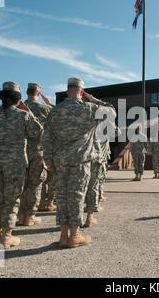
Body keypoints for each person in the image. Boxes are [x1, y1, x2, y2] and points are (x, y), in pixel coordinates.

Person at [42, 77, 108, 248]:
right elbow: (111, 110)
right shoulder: (90, 108)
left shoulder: (55, 111)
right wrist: (93, 99)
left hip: (60, 161)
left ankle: (63, 236)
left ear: (67, 91)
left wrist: (48, 160)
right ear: (81, 91)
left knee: (62, 198)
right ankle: (74, 235)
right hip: (81, 161)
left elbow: (47, 138)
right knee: (77, 196)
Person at [0, 82, 43, 249]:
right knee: (11, 200)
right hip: (15, 164)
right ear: (18, 99)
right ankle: (6, 237)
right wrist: (30, 113)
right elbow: (38, 132)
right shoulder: (23, 116)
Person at [17, 83, 52, 226]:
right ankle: (30, 216)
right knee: (35, 183)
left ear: (26, 92)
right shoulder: (44, 108)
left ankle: (20, 215)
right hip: (37, 150)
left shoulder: (17, 107)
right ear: (38, 93)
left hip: (19, 150)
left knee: (21, 184)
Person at [84, 93, 116, 227]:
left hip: (80, 155)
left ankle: (70, 224)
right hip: (96, 155)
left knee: (77, 186)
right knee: (93, 184)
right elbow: (111, 109)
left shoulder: (79, 113)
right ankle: (89, 216)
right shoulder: (102, 116)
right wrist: (95, 100)